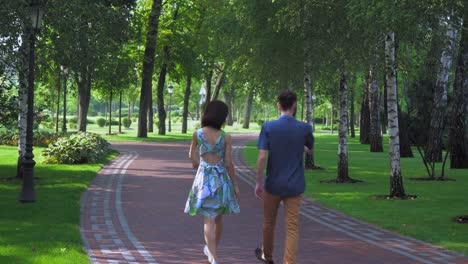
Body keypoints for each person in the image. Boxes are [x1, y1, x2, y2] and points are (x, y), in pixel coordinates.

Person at [254, 90, 314, 264]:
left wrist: (258, 182)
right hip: (295, 185)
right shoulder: (304, 128)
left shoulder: (269, 127)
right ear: (295, 105)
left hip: (273, 184)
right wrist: (300, 147)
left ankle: (267, 256)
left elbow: (262, 157)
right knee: (292, 227)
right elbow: (310, 149)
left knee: (268, 222)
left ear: (278, 105)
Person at [184, 100, 240, 264]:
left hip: (204, 180)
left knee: (208, 219)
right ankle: (212, 250)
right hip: (221, 179)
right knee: (219, 218)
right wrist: (235, 185)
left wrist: (197, 164)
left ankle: (213, 256)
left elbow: (191, 156)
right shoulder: (226, 137)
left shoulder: (198, 134)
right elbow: (229, 163)